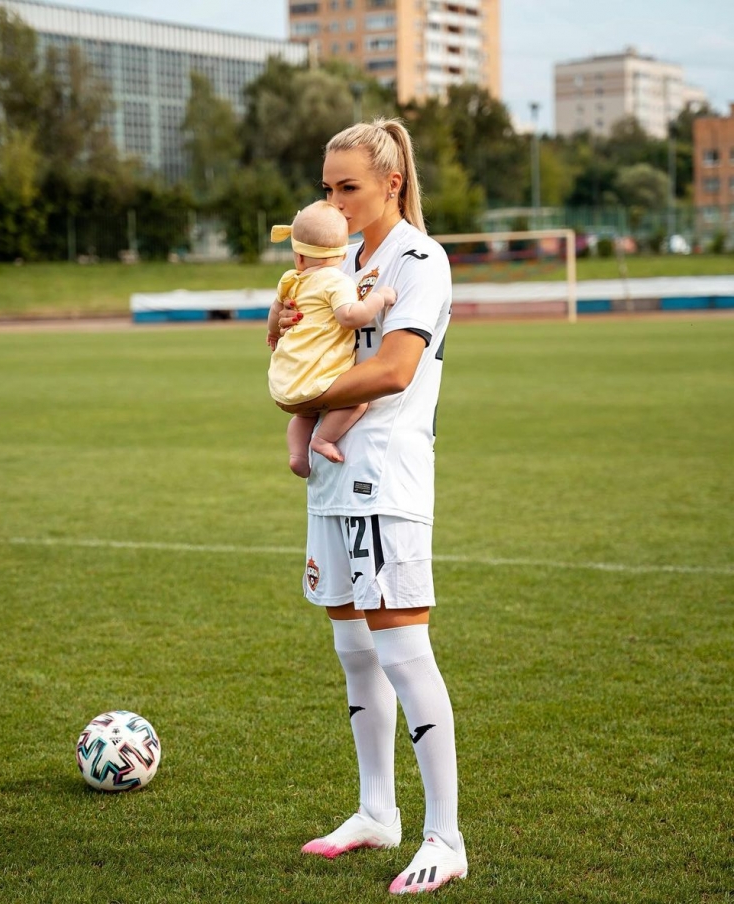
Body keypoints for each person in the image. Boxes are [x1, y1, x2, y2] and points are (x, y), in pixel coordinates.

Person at [274, 118, 467, 895]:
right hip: (331, 474)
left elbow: (392, 369)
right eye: (327, 188)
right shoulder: (337, 257)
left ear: (391, 182)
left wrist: (301, 396)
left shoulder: (419, 259)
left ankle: (444, 836)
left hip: (382, 477)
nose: (335, 200)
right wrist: (279, 329)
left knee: (401, 651)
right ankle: (374, 812)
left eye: (348, 186)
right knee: (352, 651)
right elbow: (303, 346)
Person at [267, 201, 396, 478]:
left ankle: (297, 454)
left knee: (303, 415)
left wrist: (273, 332)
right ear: (341, 257)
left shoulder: (291, 280)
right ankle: (323, 439)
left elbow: (276, 310)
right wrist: (379, 298)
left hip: (288, 382)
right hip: (319, 380)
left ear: (299, 258)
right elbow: (350, 317)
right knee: (359, 401)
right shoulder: (336, 282)